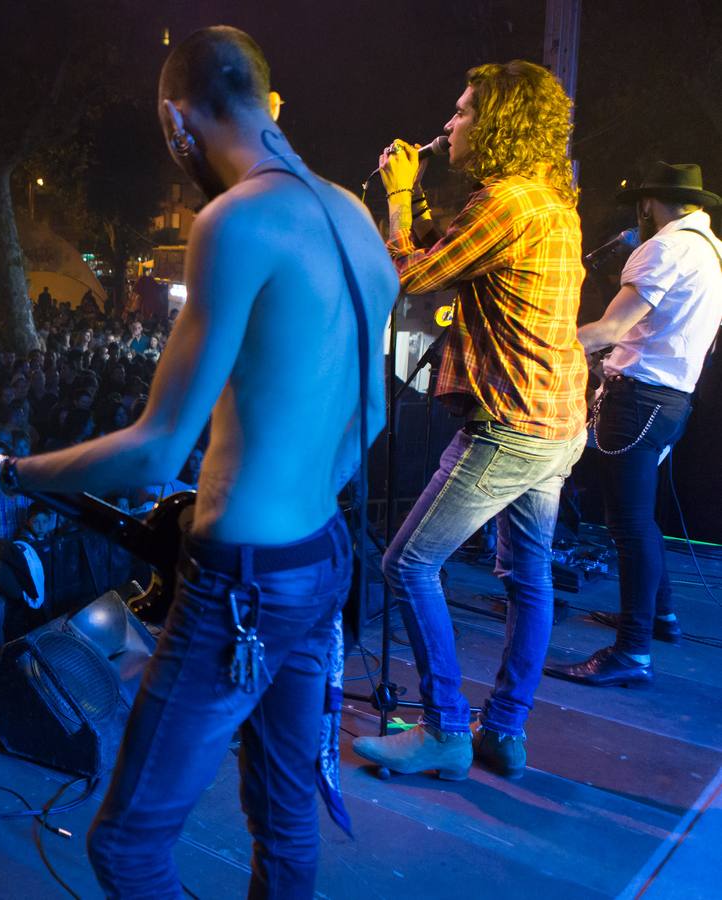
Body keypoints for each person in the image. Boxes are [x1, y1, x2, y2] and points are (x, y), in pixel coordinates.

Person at [0, 27, 397, 898]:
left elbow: (155, 449)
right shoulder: (355, 218)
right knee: (287, 813)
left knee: (127, 848)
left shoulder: (233, 221)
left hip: (245, 585)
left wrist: (5, 474)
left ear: (175, 121)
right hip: (318, 557)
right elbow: (370, 415)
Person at [354, 60, 588, 782]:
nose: (448, 124)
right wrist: (420, 203)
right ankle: (505, 731)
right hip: (557, 422)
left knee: (407, 562)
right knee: (528, 578)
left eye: (461, 112)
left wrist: (397, 200)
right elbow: (455, 256)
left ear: (496, 123)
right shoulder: (548, 201)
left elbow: (409, 275)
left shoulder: (506, 202)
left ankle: (447, 732)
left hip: (510, 424)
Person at [545, 163, 722, 688]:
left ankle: (631, 653)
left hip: (639, 400)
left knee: (629, 524)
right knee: (641, 518)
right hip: (670, 401)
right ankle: (659, 618)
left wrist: (543, 349)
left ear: (649, 204)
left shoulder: (664, 248)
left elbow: (610, 328)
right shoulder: (709, 250)